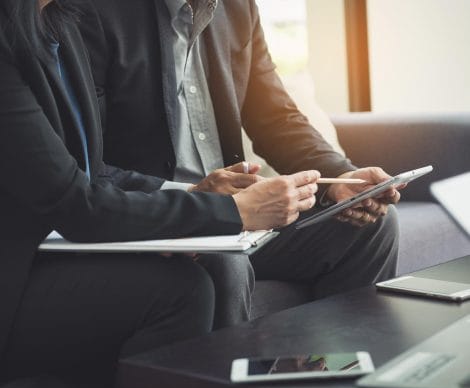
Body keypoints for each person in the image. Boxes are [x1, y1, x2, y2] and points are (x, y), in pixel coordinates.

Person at [0, 0, 320, 388]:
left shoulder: (58, 24)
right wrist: (230, 212)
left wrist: (194, 197)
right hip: (19, 273)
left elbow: (94, 170)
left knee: (192, 282)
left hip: (58, 247)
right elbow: (73, 204)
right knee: (183, 292)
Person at [78, 0, 401, 327]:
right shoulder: (95, 12)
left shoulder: (237, 8)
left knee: (372, 227)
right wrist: (194, 195)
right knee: (224, 262)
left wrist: (341, 175)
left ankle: (341, 371)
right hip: (159, 217)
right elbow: (87, 165)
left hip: (242, 217)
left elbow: (276, 119)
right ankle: (223, 378)